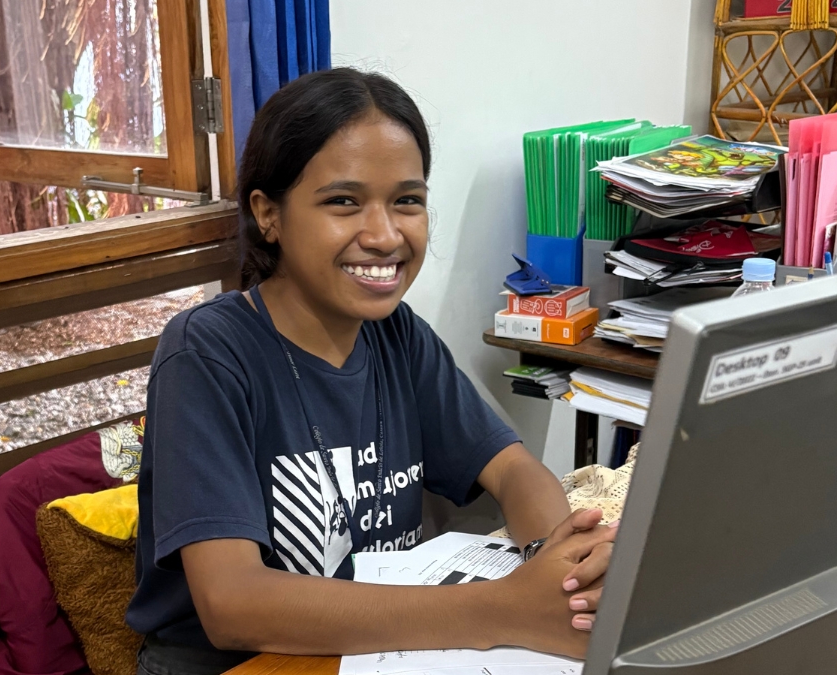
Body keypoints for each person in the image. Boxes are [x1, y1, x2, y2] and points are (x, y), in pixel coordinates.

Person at [126, 68, 617, 675]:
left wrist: (559, 566)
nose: (385, 235)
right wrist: (502, 611)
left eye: (407, 200)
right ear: (268, 214)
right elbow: (233, 605)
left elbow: (512, 467)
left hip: (379, 650)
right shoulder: (207, 353)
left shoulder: (397, 335)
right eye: (343, 201)